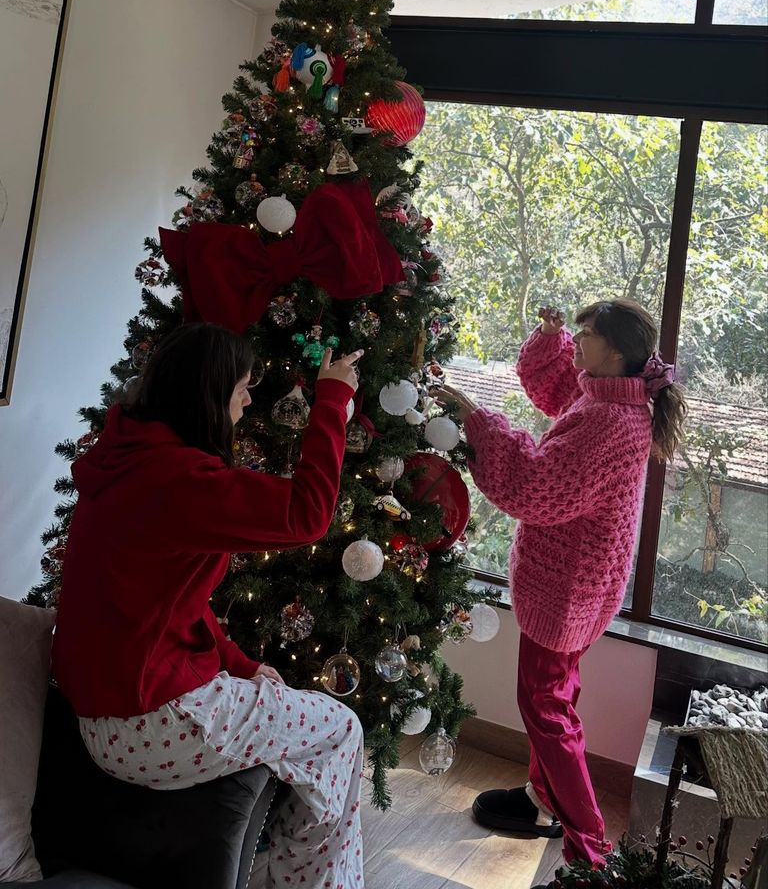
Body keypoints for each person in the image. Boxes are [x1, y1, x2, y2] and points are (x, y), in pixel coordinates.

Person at [52, 322, 366, 889]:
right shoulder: (181, 481)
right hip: (147, 724)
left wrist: (242, 665)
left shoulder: (129, 458)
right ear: (207, 393)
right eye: (241, 386)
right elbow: (307, 514)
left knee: (292, 711)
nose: (249, 398)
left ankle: (278, 869)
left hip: (106, 715)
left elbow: (168, 604)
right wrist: (334, 399)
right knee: (342, 728)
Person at [437, 299, 686, 877]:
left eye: (586, 334)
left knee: (544, 705)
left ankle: (589, 848)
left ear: (618, 352)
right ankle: (541, 801)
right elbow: (555, 393)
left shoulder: (610, 421)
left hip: (570, 586)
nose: (578, 341)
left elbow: (535, 486)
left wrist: (479, 422)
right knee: (558, 696)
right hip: (582, 583)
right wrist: (548, 339)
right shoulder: (608, 396)